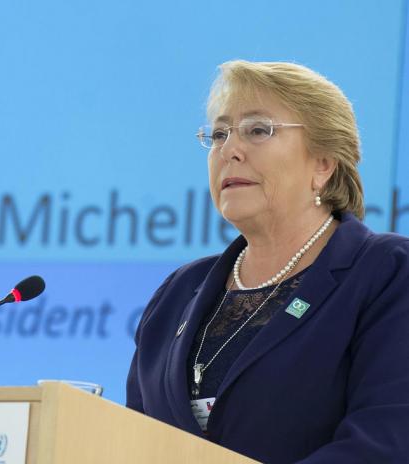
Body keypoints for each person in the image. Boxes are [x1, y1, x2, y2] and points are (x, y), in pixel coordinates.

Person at [126, 60, 409, 463]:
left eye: (258, 130)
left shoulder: (388, 273)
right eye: (220, 134)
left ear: (323, 163)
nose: (230, 150)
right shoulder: (176, 294)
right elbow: (130, 443)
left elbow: (386, 443)